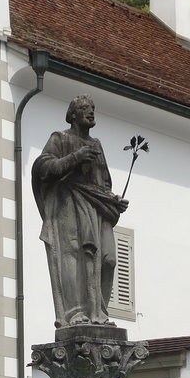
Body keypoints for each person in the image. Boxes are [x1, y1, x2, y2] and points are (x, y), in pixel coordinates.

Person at [32, 95, 128, 328]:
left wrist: (113, 200)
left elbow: (103, 182)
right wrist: (75, 158)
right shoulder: (60, 138)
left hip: (98, 207)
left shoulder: (96, 145)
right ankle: (76, 312)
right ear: (72, 115)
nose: (91, 111)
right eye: (85, 108)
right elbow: (42, 167)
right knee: (73, 255)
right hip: (69, 202)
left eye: (93, 108)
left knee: (109, 259)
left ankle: (99, 310)